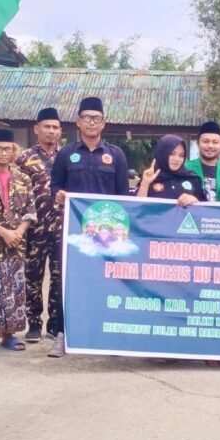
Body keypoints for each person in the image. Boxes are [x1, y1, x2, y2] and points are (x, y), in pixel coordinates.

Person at [50, 96, 130, 357]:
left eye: (96, 118)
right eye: (87, 118)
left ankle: (108, 335)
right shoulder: (66, 154)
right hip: (75, 232)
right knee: (68, 281)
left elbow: (123, 197)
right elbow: (55, 186)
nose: (92, 123)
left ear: (103, 123)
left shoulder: (115, 155)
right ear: (78, 121)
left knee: (108, 281)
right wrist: (58, 195)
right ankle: (63, 335)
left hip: (107, 234)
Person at [0, 129, 37, 353]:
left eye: (8, 149)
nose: (3, 153)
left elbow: (30, 210)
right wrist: (3, 232)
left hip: (16, 244)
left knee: (15, 288)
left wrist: (18, 232)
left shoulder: (23, 178)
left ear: (14, 152)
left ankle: (10, 335)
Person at [16, 107, 63, 343]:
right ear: (36, 129)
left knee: (59, 277)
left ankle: (55, 323)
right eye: (47, 126)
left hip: (61, 226)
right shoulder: (23, 158)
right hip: (34, 229)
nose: (51, 131)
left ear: (60, 131)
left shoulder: (68, 156)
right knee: (32, 276)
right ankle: (34, 323)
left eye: (55, 127)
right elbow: (16, 192)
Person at [138, 134, 206, 205]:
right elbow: (136, 207)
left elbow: (205, 207)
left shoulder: (192, 179)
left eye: (181, 155)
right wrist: (145, 184)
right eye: (172, 154)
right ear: (163, 154)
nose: (177, 159)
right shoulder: (150, 178)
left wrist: (195, 200)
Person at [185, 121, 220, 203]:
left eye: (215, 142)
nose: (210, 146)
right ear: (198, 143)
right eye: (205, 141)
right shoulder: (186, 168)